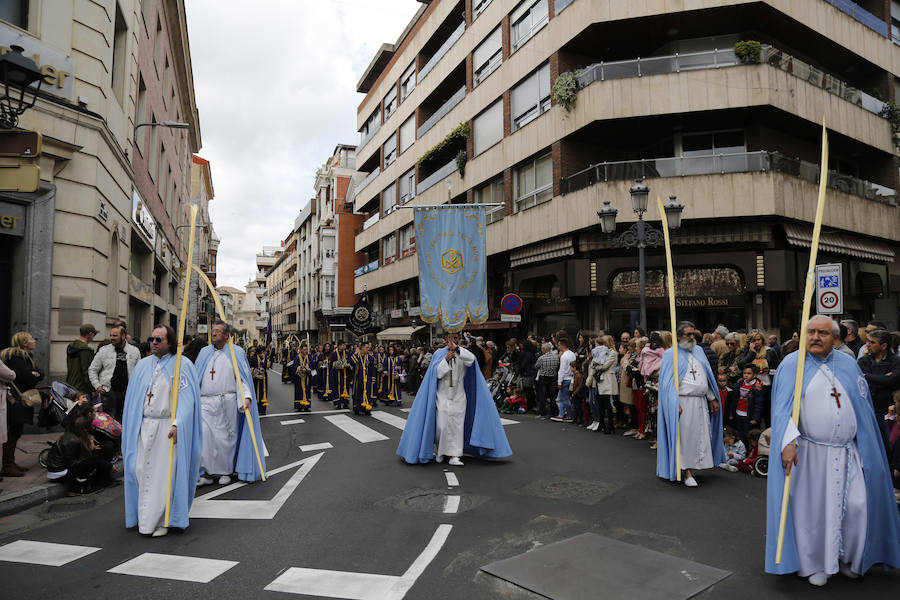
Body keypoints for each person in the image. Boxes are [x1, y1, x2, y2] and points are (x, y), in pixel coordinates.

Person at [765, 315, 900, 585]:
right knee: (814, 511)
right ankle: (814, 563)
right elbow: (782, 412)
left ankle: (849, 557)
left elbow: (861, 408)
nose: (815, 337)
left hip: (848, 452)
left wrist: (866, 445)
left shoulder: (848, 364)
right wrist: (787, 443)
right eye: (811, 332)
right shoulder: (793, 365)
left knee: (857, 505)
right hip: (810, 453)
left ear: (835, 338)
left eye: (823, 333)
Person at [121, 325, 202, 537]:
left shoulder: (181, 365)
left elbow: (187, 401)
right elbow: (133, 400)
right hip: (145, 426)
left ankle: (164, 520)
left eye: (159, 340)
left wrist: (178, 423)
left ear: (169, 342)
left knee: (162, 476)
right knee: (139, 470)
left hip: (166, 428)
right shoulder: (142, 365)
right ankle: (145, 518)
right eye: (152, 339)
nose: (154, 343)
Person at [397, 333, 511, 465]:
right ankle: (441, 451)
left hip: (458, 394)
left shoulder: (463, 353)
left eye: (456, 338)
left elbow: (471, 360)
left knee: (457, 425)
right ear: (445, 339)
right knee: (442, 425)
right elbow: (436, 374)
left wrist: (457, 349)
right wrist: (445, 360)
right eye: (450, 338)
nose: (453, 340)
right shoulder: (439, 353)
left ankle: (454, 455)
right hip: (443, 394)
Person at [193, 320, 266, 486]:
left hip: (227, 402)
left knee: (225, 439)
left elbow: (242, 380)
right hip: (205, 402)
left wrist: (246, 397)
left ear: (226, 335)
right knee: (204, 437)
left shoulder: (236, 353)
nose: (213, 333)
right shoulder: (204, 353)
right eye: (213, 330)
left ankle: (225, 471)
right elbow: (195, 378)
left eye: (218, 331)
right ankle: (206, 473)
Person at [656, 322, 725, 487]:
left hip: (700, 401)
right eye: (688, 334)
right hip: (683, 402)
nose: (692, 337)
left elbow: (705, 377)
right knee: (685, 437)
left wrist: (711, 398)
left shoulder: (699, 351)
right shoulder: (670, 355)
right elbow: (667, 384)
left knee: (699, 436)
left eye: (693, 334)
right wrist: (674, 402)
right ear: (679, 336)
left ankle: (694, 467)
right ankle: (686, 471)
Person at [46, 400, 116, 494]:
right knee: (92, 459)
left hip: (64, 468)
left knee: (98, 452)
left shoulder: (75, 437)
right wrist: (107, 464)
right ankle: (80, 487)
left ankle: (99, 480)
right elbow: (73, 463)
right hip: (58, 473)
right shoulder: (72, 440)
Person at [1, 332, 43, 476]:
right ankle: (7, 466)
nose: (34, 341)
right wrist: (37, 373)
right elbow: (28, 377)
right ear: (24, 343)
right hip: (16, 399)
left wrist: (37, 373)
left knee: (14, 431)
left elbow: (35, 373)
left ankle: (10, 463)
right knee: (14, 431)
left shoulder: (14, 356)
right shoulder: (20, 357)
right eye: (31, 339)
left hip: (12, 397)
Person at [857, 328, 900, 447]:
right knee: (871, 446)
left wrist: (867, 376)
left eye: (872, 342)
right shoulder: (863, 361)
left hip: (888, 411)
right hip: (868, 410)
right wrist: (882, 378)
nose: (867, 344)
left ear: (883, 346)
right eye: (867, 341)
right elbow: (859, 380)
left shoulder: (896, 361)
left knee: (891, 445)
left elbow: (892, 380)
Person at [88, 324, 140, 422]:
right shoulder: (104, 350)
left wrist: (136, 390)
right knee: (108, 421)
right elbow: (92, 369)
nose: (111, 338)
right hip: (109, 393)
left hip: (127, 393)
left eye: (115, 336)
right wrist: (97, 386)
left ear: (123, 336)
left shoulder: (134, 351)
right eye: (111, 335)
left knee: (125, 420)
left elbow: (139, 373)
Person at [551, 337, 576, 423]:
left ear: (562, 345)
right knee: (565, 398)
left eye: (558, 345)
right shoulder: (572, 354)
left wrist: (559, 382)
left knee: (563, 398)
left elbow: (561, 370)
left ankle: (565, 415)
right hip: (571, 377)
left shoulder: (564, 356)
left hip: (565, 379)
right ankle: (564, 414)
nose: (558, 347)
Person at [66, 324, 97, 394]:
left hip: (70, 385)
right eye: (94, 335)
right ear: (90, 334)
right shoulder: (85, 350)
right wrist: (93, 388)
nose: (93, 337)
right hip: (82, 389)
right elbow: (86, 371)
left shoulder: (71, 346)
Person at [351, 341, 378, 416]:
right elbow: (351, 363)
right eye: (366, 347)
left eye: (368, 348)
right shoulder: (356, 356)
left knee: (368, 393)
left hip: (367, 378)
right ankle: (358, 408)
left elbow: (372, 369)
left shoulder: (370, 357)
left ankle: (367, 409)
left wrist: (373, 378)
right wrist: (355, 353)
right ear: (362, 347)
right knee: (358, 393)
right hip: (358, 378)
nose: (368, 349)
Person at [534, 342, 559, 419]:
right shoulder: (556, 357)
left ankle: (542, 413)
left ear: (544, 349)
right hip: (553, 377)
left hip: (543, 377)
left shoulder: (541, 358)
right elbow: (557, 365)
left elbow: (536, 366)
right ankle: (553, 413)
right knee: (552, 396)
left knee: (542, 396)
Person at [290, 343, 313, 412]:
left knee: (307, 391)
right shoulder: (297, 358)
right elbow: (294, 367)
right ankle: (299, 406)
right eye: (304, 349)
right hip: (299, 378)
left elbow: (312, 365)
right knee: (299, 391)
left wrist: (307, 369)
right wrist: (300, 369)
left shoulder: (309, 357)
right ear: (300, 350)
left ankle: (306, 406)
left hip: (307, 378)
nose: (305, 351)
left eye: (306, 349)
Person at [330, 341, 353, 409]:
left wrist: (348, 365)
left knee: (345, 388)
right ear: (339, 346)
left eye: (344, 345)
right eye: (343, 345)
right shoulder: (334, 354)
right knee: (337, 388)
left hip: (345, 374)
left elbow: (350, 361)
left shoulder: (347, 353)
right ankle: (338, 403)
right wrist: (340, 364)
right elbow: (332, 364)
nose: (344, 347)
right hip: (337, 374)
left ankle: (345, 403)